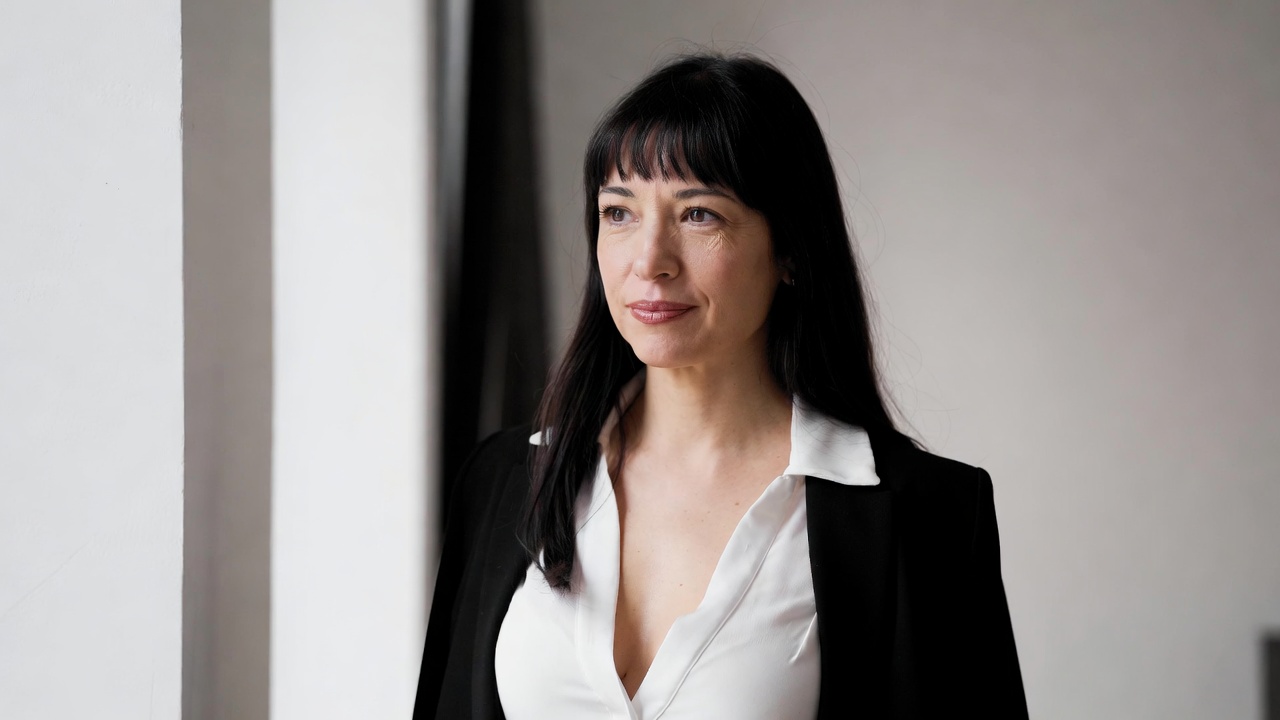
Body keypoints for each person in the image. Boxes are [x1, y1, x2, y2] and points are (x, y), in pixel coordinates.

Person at [414, 52, 1029, 719]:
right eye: (619, 213)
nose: (649, 261)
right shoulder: (505, 481)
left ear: (789, 248)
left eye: (699, 215)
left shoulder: (922, 517)